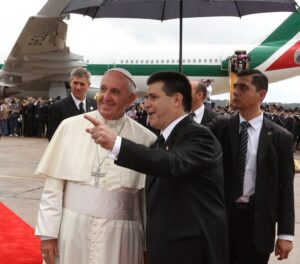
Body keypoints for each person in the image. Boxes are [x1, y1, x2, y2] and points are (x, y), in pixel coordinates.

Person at [85, 71, 228, 264]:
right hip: (164, 250)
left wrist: (117, 144)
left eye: (153, 97)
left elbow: (171, 163)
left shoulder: (200, 137)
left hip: (192, 253)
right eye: (146, 98)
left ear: (176, 100)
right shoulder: (160, 141)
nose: (146, 104)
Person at [35, 68, 156, 264]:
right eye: (103, 89)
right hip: (72, 230)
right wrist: (48, 234)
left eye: (115, 92)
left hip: (122, 237)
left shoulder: (145, 138)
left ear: (131, 99)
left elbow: (144, 202)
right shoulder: (69, 127)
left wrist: (146, 246)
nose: (106, 97)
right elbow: (53, 187)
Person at [208, 69, 295, 264]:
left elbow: (286, 187)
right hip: (222, 221)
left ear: (261, 95)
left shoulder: (280, 138)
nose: (235, 91)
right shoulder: (221, 128)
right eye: (235, 86)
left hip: (257, 224)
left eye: (243, 87)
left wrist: (286, 234)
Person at [46, 67, 97, 141]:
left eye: (82, 84)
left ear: (88, 85)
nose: (78, 87)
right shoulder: (58, 107)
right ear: (70, 83)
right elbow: (52, 137)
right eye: (75, 83)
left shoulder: (95, 105)